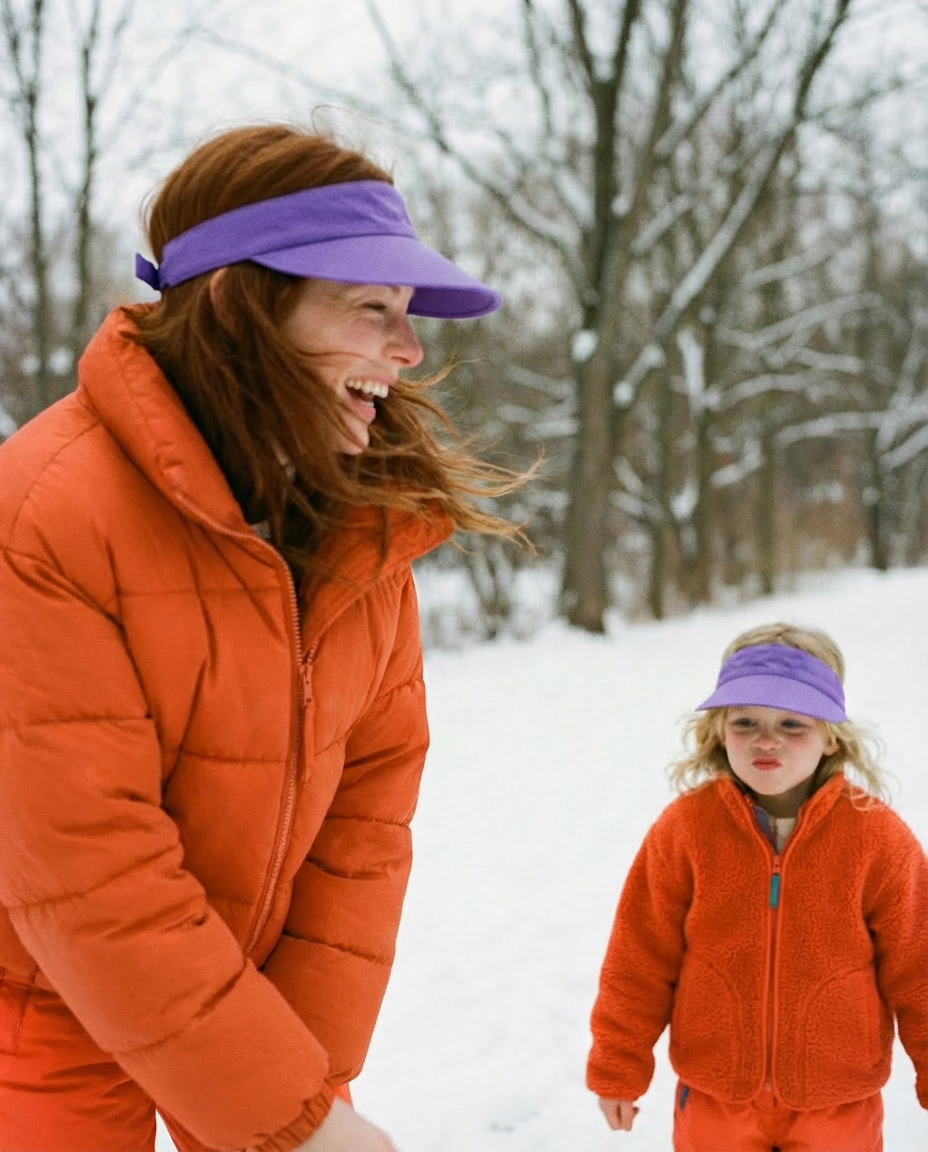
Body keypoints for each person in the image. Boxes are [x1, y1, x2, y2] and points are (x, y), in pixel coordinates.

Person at [0, 124, 519, 1152]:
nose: (408, 351)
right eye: (371, 309)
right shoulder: (45, 513)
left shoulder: (368, 528)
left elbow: (364, 831)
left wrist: (296, 1087)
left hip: (248, 997)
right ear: (243, 305)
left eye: (407, 315)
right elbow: (91, 870)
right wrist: (291, 1121)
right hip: (38, 999)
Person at [587, 623, 927, 1152]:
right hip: (715, 1099)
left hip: (837, 1102)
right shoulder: (686, 830)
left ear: (831, 736)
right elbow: (639, 958)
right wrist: (618, 1065)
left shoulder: (876, 837)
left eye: (792, 723)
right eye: (745, 721)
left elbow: (918, 967)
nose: (766, 740)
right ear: (719, 730)